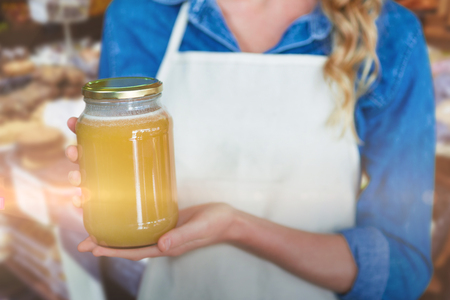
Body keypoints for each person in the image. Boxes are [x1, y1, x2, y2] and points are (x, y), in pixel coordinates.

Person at [65, 0, 435, 299]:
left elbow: (401, 269)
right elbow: (129, 199)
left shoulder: (390, 35)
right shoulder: (137, 16)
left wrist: (237, 227)